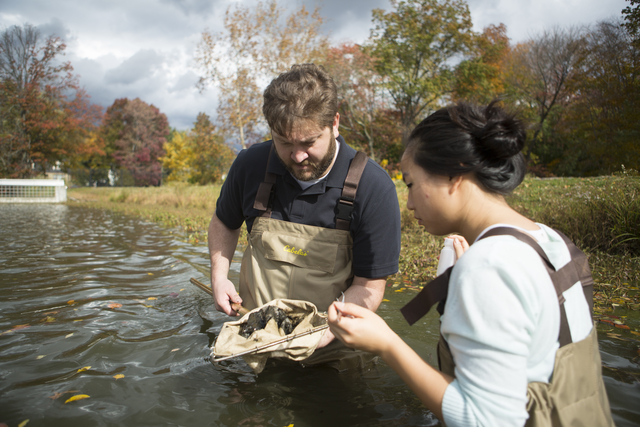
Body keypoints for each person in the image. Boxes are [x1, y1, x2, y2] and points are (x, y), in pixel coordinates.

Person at [327, 102, 614, 426]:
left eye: (410, 184)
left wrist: (387, 344)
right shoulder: (551, 240)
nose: (407, 203)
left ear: (454, 175)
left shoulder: (488, 267)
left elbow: (482, 419)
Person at [208, 63, 401, 362]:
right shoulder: (250, 165)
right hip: (253, 343)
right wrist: (219, 277)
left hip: (332, 351)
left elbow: (368, 285)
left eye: (309, 142)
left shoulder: (373, 187)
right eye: (284, 142)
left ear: (334, 123)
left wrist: (322, 332)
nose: (297, 156)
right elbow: (225, 222)